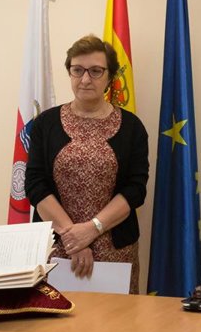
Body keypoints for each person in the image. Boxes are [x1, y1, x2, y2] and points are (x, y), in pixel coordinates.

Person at [25, 35, 149, 294]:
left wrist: (92, 229)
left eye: (95, 71)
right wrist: (73, 238)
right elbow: (35, 185)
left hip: (116, 253)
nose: (85, 79)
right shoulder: (45, 124)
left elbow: (135, 189)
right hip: (56, 250)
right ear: (69, 72)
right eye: (77, 70)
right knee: (56, 319)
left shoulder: (132, 127)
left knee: (117, 319)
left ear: (109, 76)